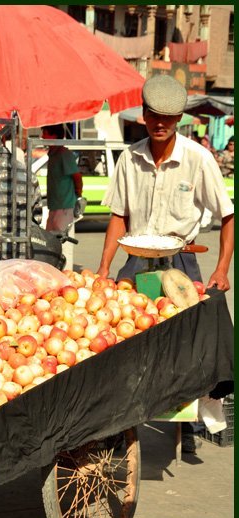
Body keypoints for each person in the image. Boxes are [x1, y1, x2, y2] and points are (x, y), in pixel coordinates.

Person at [96, 74, 234, 453]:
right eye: (154, 115)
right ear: (143, 114)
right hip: (136, 259)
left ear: (179, 120)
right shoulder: (130, 157)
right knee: (120, 334)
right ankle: (117, 420)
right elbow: (118, 217)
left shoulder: (199, 159)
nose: (161, 123)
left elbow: (228, 215)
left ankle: (191, 418)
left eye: (169, 118)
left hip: (182, 261)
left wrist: (222, 269)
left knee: (190, 339)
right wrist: (104, 269)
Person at [41, 124, 83, 232]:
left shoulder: (64, 154)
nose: (42, 137)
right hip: (54, 207)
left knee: (62, 243)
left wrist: (78, 195)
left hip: (64, 208)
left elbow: (77, 177)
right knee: (51, 242)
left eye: (45, 134)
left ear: (55, 136)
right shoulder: (52, 154)